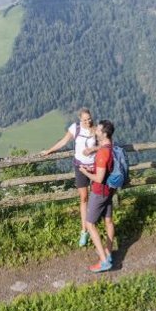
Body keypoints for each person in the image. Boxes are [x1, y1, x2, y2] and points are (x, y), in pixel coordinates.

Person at [41, 107, 98, 246]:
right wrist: (49, 151)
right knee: (84, 197)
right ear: (80, 119)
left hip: (95, 167)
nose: (87, 122)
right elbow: (63, 141)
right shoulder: (75, 128)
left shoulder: (96, 130)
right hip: (80, 167)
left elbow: (105, 145)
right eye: (85, 120)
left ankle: (93, 225)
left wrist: (93, 149)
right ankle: (84, 231)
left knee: (96, 196)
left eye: (89, 119)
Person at [80, 119, 116, 272]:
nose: (96, 131)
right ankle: (108, 252)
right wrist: (93, 149)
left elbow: (99, 178)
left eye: (98, 130)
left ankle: (103, 261)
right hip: (109, 191)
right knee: (108, 220)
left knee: (89, 224)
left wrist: (85, 172)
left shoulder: (103, 153)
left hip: (99, 191)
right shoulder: (110, 147)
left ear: (104, 133)